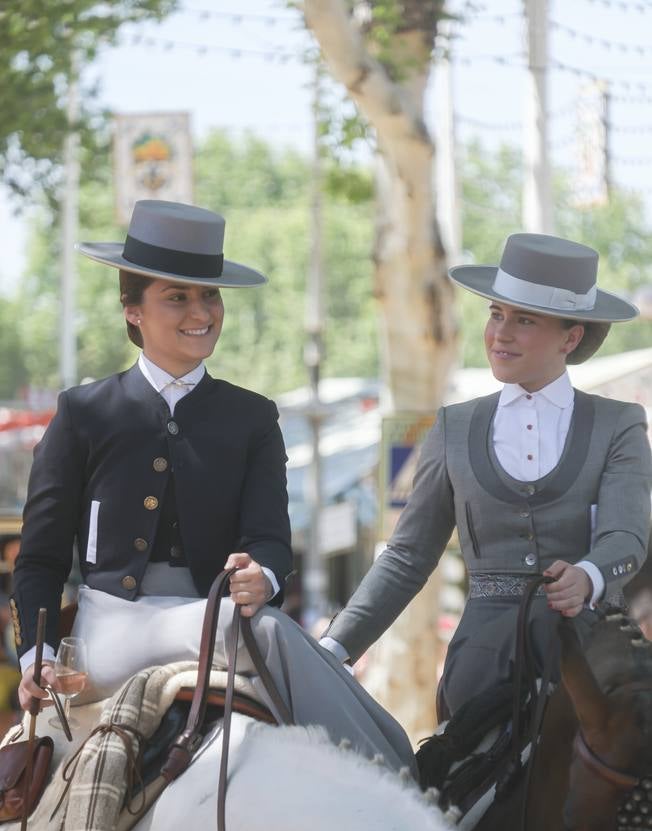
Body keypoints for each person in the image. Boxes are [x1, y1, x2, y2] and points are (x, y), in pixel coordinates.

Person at [12, 199, 414, 770]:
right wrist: (38, 658)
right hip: (113, 630)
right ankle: (396, 771)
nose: (201, 311)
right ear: (132, 311)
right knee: (269, 634)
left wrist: (264, 576)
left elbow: (272, 539)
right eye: (177, 296)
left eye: (210, 295)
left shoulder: (252, 417)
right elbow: (40, 561)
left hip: (215, 618)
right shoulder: (82, 414)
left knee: (259, 623)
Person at [321, 233, 652, 718]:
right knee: (444, 781)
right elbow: (409, 556)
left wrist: (589, 574)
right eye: (496, 314)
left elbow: (627, 535)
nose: (500, 333)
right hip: (484, 653)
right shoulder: (452, 428)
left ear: (571, 337)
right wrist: (333, 649)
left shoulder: (619, 422)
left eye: (524, 320)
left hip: (593, 645)